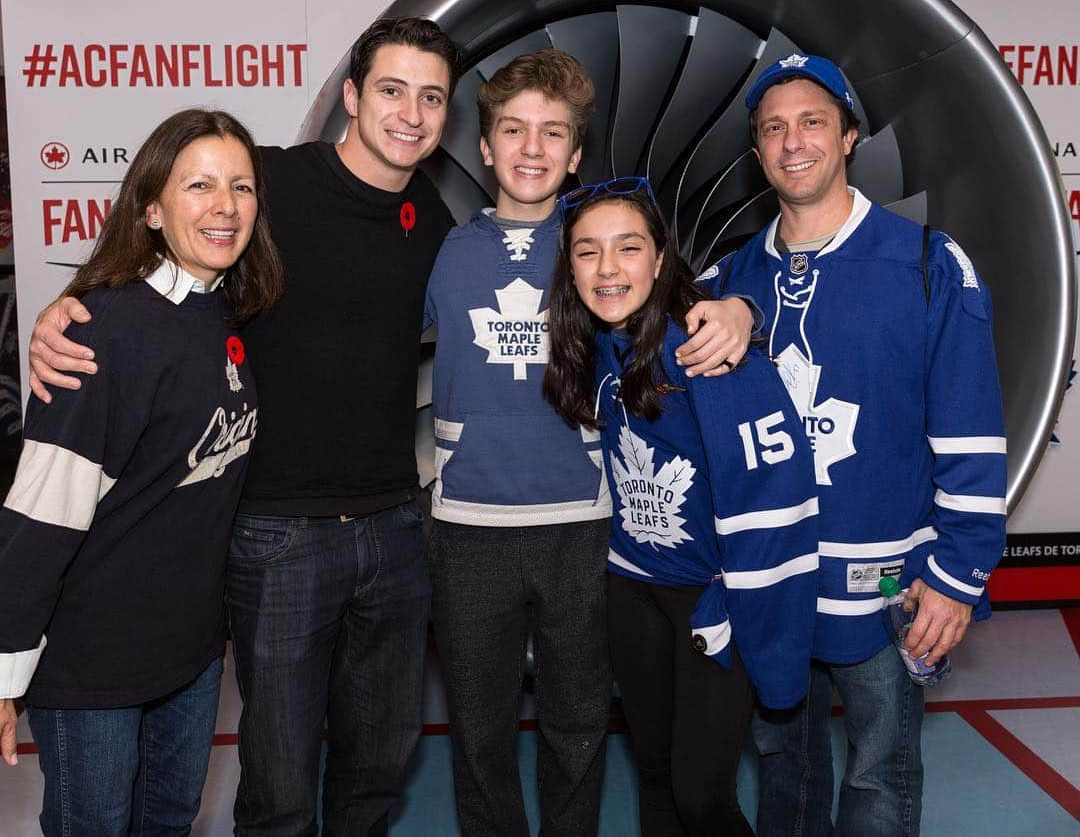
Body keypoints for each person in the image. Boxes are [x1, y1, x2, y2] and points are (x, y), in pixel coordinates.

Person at [25, 19, 753, 837]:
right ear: (352, 97)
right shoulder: (287, 194)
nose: (411, 112)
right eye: (393, 90)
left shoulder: (529, 240)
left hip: (426, 528)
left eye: (431, 96)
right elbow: (185, 248)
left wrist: (736, 304)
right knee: (289, 773)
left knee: (401, 758)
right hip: (299, 534)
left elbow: (664, 285)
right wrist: (80, 304)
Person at [424, 50, 757, 837]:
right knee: (478, 736)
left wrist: (742, 306)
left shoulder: (601, 248)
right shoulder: (442, 250)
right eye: (513, 130)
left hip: (586, 531)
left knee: (578, 729)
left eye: (552, 134)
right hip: (468, 530)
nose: (531, 149)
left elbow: (700, 300)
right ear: (484, 146)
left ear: (576, 156)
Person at [712, 53, 1008, 837]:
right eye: (773, 129)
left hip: (886, 593)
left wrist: (959, 574)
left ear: (848, 137)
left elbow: (972, 429)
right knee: (783, 770)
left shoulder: (926, 265)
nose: (792, 141)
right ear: (757, 154)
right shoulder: (729, 279)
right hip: (770, 587)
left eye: (812, 121)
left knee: (879, 776)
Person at [0, 108, 283, 836]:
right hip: (93, 666)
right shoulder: (103, 331)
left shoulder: (227, 314)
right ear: (152, 208)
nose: (225, 205)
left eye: (242, 186)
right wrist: (2, 678)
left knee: (168, 822)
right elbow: (39, 518)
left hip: (188, 657)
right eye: (199, 185)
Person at [543, 179, 820, 836]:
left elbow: (778, 499)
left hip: (710, 603)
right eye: (588, 252)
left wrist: (742, 600)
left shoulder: (709, 357)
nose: (608, 269)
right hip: (633, 592)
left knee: (703, 797)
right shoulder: (596, 350)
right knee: (656, 772)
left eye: (628, 248)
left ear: (662, 259)